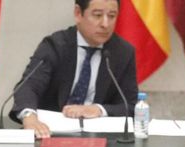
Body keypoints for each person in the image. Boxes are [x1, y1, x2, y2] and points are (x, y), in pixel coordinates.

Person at [11, 0, 139, 139]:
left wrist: (98, 109)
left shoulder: (123, 52)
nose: (105, 24)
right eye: (97, 15)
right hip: (50, 136)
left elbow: (130, 106)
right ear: (78, 13)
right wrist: (30, 118)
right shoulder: (55, 46)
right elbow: (28, 87)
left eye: (112, 16)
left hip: (100, 140)